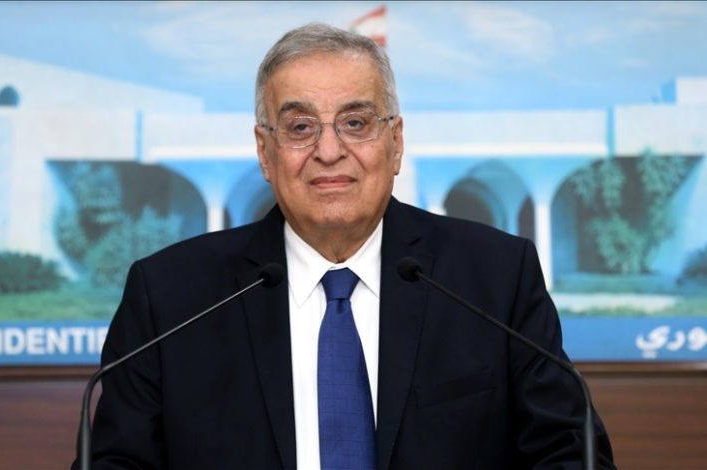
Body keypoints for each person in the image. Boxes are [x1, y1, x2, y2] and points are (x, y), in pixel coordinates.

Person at [81, 23, 615, 469]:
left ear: (396, 142)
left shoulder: (494, 277)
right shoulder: (171, 296)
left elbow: (569, 454)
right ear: (265, 152)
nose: (329, 150)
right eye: (300, 127)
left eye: (355, 123)